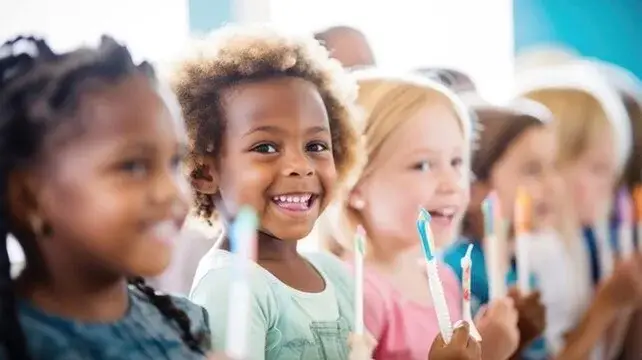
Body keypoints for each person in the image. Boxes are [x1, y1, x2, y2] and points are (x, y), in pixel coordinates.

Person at [0, 35, 212, 359]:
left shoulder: (186, 324)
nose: (173, 191)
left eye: (174, 162)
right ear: (28, 199)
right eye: (133, 166)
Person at [173, 25, 363, 359]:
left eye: (316, 145)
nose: (300, 166)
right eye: (266, 146)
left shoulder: (334, 274)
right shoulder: (230, 285)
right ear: (204, 172)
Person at [320, 70, 516, 360]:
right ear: (355, 185)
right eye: (423, 165)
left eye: (456, 161)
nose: (452, 184)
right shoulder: (359, 295)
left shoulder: (442, 277)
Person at [515, 62, 642, 360]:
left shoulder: (574, 242)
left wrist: (624, 305)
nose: (611, 186)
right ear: (553, 162)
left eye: (614, 171)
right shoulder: (534, 252)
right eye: (598, 169)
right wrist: (607, 305)